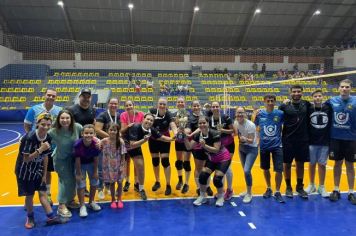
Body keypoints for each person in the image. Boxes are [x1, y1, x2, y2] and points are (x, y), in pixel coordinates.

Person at [15, 113, 66, 229]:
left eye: (49, 125)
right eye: (43, 124)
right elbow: (26, 159)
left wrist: (44, 175)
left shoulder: (48, 137)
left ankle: (51, 217)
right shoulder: (29, 138)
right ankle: (30, 217)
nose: (46, 127)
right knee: (29, 195)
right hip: (24, 171)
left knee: (43, 193)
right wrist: (40, 149)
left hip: (37, 169)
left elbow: (46, 156)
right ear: (37, 124)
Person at [24, 88, 62, 205]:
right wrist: (31, 139)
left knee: (47, 171)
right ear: (44, 95)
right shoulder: (34, 109)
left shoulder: (59, 110)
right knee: (31, 170)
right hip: (35, 147)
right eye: (49, 95)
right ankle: (29, 197)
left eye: (53, 96)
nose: (51, 97)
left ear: (56, 98)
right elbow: (27, 125)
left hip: (51, 146)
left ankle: (48, 194)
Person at [184, 116, 231, 207]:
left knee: (217, 180)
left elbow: (216, 150)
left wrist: (204, 146)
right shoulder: (198, 135)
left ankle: (220, 197)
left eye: (204, 123)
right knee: (202, 176)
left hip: (223, 159)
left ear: (208, 123)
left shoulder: (215, 133)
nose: (202, 125)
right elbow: (189, 147)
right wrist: (185, 138)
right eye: (200, 123)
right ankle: (203, 196)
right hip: (212, 159)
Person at [128, 113, 175, 200]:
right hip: (125, 145)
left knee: (141, 166)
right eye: (147, 119)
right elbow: (132, 144)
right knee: (120, 167)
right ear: (143, 119)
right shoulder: (135, 127)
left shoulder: (151, 130)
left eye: (151, 120)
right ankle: (111, 185)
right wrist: (144, 140)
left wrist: (173, 138)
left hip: (135, 146)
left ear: (153, 123)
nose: (149, 121)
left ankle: (141, 189)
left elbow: (162, 137)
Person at [326, 79, 356, 204]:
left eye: (347, 87)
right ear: (338, 88)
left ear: (351, 88)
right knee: (337, 164)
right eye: (342, 87)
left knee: (350, 165)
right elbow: (316, 106)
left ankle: (351, 192)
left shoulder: (355, 101)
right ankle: (336, 189)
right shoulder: (331, 101)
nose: (344, 89)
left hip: (351, 139)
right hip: (335, 138)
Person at [48, 110, 82, 218]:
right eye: (62, 118)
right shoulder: (53, 131)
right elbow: (42, 137)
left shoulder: (77, 127)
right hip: (61, 160)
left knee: (73, 180)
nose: (65, 120)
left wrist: (97, 141)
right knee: (64, 180)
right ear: (58, 119)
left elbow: (88, 135)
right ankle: (61, 205)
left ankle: (70, 200)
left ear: (71, 119)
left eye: (67, 118)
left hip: (74, 159)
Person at [279, 84, 310, 199]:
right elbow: (277, 120)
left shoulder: (306, 104)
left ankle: (299, 187)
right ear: (290, 92)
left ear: (302, 92)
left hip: (302, 140)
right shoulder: (284, 106)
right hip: (288, 140)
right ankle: (288, 187)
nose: (296, 94)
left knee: (300, 164)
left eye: (298, 91)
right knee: (286, 164)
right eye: (294, 91)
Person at [255, 95, 285, 203]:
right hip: (264, 146)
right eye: (268, 101)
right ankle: (268, 188)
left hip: (277, 146)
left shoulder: (280, 114)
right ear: (264, 102)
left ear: (275, 102)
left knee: (279, 170)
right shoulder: (260, 114)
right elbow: (255, 127)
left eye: (272, 101)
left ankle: (277, 191)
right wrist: (257, 140)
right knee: (266, 168)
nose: (270, 102)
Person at [67, 88, 96, 197]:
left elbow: (93, 125)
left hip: (88, 144)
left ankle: (85, 189)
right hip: (76, 145)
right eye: (84, 96)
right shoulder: (71, 109)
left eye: (88, 97)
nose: (86, 99)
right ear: (79, 97)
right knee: (77, 169)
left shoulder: (92, 110)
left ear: (90, 98)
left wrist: (95, 139)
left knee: (87, 167)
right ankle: (76, 190)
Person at [304, 90, 332, 197]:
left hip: (324, 141)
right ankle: (311, 185)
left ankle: (321, 186)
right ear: (312, 98)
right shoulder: (309, 108)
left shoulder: (328, 108)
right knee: (311, 164)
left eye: (320, 96)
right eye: (315, 96)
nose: (318, 98)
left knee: (322, 164)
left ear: (323, 97)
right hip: (311, 141)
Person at [148, 97, 178, 195]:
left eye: (164, 104)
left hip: (165, 139)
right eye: (160, 104)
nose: (162, 106)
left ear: (166, 106)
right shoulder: (152, 111)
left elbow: (173, 125)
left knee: (165, 161)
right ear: (157, 104)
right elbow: (148, 123)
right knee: (155, 161)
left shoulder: (169, 114)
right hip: (153, 139)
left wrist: (176, 133)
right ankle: (157, 181)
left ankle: (168, 185)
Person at [94, 97, 120, 200]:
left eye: (115, 103)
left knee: (111, 167)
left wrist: (116, 138)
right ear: (108, 104)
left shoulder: (118, 116)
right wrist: (111, 138)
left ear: (118, 105)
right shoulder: (103, 115)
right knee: (101, 168)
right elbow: (97, 129)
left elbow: (119, 130)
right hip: (103, 145)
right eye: (111, 103)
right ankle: (100, 188)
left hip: (113, 146)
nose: (113, 105)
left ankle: (107, 186)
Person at [208, 102, 235, 201]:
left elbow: (233, 131)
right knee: (220, 169)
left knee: (227, 168)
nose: (215, 108)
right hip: (217, 146)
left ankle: (230, 189)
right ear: (211, 108)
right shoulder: (209, 119)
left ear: (219, 107)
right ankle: (221, 190)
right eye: (213, 106)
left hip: (228, 145)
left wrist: (222, 130)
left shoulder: (226, 117)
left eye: (217, 106)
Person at [74, 124, 102, 218]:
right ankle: (82, 205)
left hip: (92, 164)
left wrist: (95, 172)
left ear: (94, 134)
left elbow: (96, 158)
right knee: (81, 184)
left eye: (91, 133)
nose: (88, 135)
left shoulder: (95, 144)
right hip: (80, 165)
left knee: (94, 183)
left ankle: (91, 201)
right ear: (82, 133)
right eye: (86, 133)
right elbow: (77, 159)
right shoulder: (77, 144)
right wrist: (78, 173)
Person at [187, 100, 214, 196]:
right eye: (194, 106)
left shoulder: (205, 113)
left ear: (200, 106)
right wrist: (186, 132)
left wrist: (209, 105)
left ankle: (207, 186)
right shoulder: (190, 118)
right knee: (199, 168)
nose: (196, 107)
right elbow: (188, 129)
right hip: (197, 146)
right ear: (191, 108)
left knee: (207, 167)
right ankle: (199, 187)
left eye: (198, 105)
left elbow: (214, 111)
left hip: (208, 144)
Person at [234, 106, 258, 204]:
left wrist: (245, 139)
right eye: (238, 113)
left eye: (241, 112)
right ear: (235, 114)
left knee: (247, 170)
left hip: (251, 148)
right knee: (245, 171)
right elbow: (235, 134)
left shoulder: (250, 125)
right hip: (241, 149)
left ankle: (249, 193)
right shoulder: (235, 123)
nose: (240, 114)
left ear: (245, 114)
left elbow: (251, 140)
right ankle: (247, 190)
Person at [120, 100, 145, 192]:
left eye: (130, 105)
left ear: (134, 105)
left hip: (136, 141)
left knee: (136, 163)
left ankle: (136, 182)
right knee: (127, 162)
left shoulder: (141, 114)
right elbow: (122, 131)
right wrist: (129, 126)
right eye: (126, 105)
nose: (129, 106)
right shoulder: (123, 115)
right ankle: (127, 181)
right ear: (124, 107)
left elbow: (143, 128)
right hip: (126, 141)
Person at [101, 123, 127, 209]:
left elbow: (123, 154)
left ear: (117, 131)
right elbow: (97, 144)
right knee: (112, 183)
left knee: (119, 183)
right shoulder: (104, 141)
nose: (112, 132)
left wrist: (122, 165)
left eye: (114, 130)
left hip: (118, 165)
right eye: (111, 130)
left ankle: (119, 199)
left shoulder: (120, 141)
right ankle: (112, 199)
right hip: (108, 166)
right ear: (107, 131)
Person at [173, 97, 191, 194]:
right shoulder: (174, 114)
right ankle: (180, 180)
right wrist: (176, 132)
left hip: (187, 140)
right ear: (176, 104)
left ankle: (186, 183)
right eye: (179, 102)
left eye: (182, 102)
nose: (180, 103)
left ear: (185, 103)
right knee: (178, 162)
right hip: (178, 141)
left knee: (186, 163)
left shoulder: (189, 114)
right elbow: (173, 126)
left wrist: (184, 132)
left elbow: (190, 128)